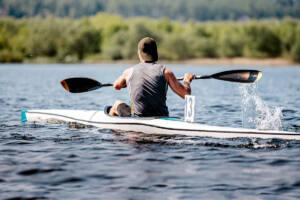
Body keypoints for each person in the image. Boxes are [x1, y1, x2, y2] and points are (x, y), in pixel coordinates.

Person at [109, 37, 195, 117]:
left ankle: (116, 131)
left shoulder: (128, 72)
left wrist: (126, 82)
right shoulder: (166, 72)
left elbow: (116, 86)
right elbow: (186, 94)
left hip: (138, 118)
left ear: (139, 53)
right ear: (155, 53)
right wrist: (186, 81)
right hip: (161, 117)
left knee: (116, 104)